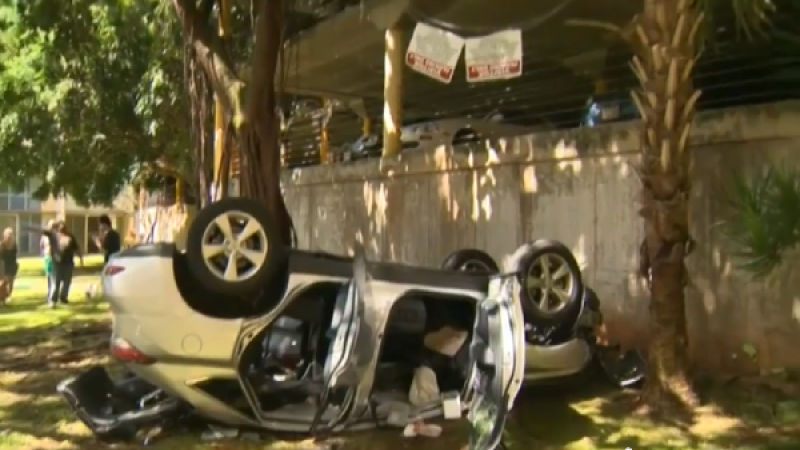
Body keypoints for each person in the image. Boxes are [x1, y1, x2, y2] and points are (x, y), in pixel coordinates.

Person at [49, 221, 83, 307]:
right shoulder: (54, 236)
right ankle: (54, 299)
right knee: (56, 282)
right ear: (58, 229)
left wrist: (80, 257)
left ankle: (63, 298)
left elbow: (76, 248)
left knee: (67, 282)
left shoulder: (70, 237)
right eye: (61, 228)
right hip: (57, 263)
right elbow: (50, 248)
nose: (62, 230)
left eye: (64, 228)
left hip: (68, 262)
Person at [0, 228, 19, 305]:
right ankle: (3, 298)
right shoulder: (1, 245)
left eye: (11, 235)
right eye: (8, 235)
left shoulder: (14, 245)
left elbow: (15, 255)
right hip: (3, 265)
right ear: (4, 236)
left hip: (12, 265)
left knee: (11, 282)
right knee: (4, 282)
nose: (9, 237)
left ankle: (8, 296)